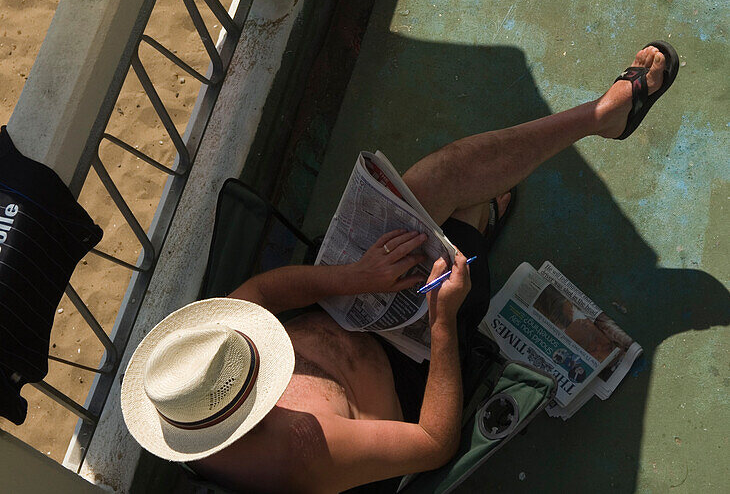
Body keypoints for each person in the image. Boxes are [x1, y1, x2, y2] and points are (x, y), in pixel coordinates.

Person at [121, 43, 677, 493]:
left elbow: (263, 290)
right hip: (414, 350)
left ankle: (599, 119)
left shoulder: (199, 362)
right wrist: (440, 325)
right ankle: (479, 218)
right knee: (465, 207)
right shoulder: (302, 457)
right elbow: (435, 442)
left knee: (440, 174)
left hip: (349, 294)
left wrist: (354, 278)